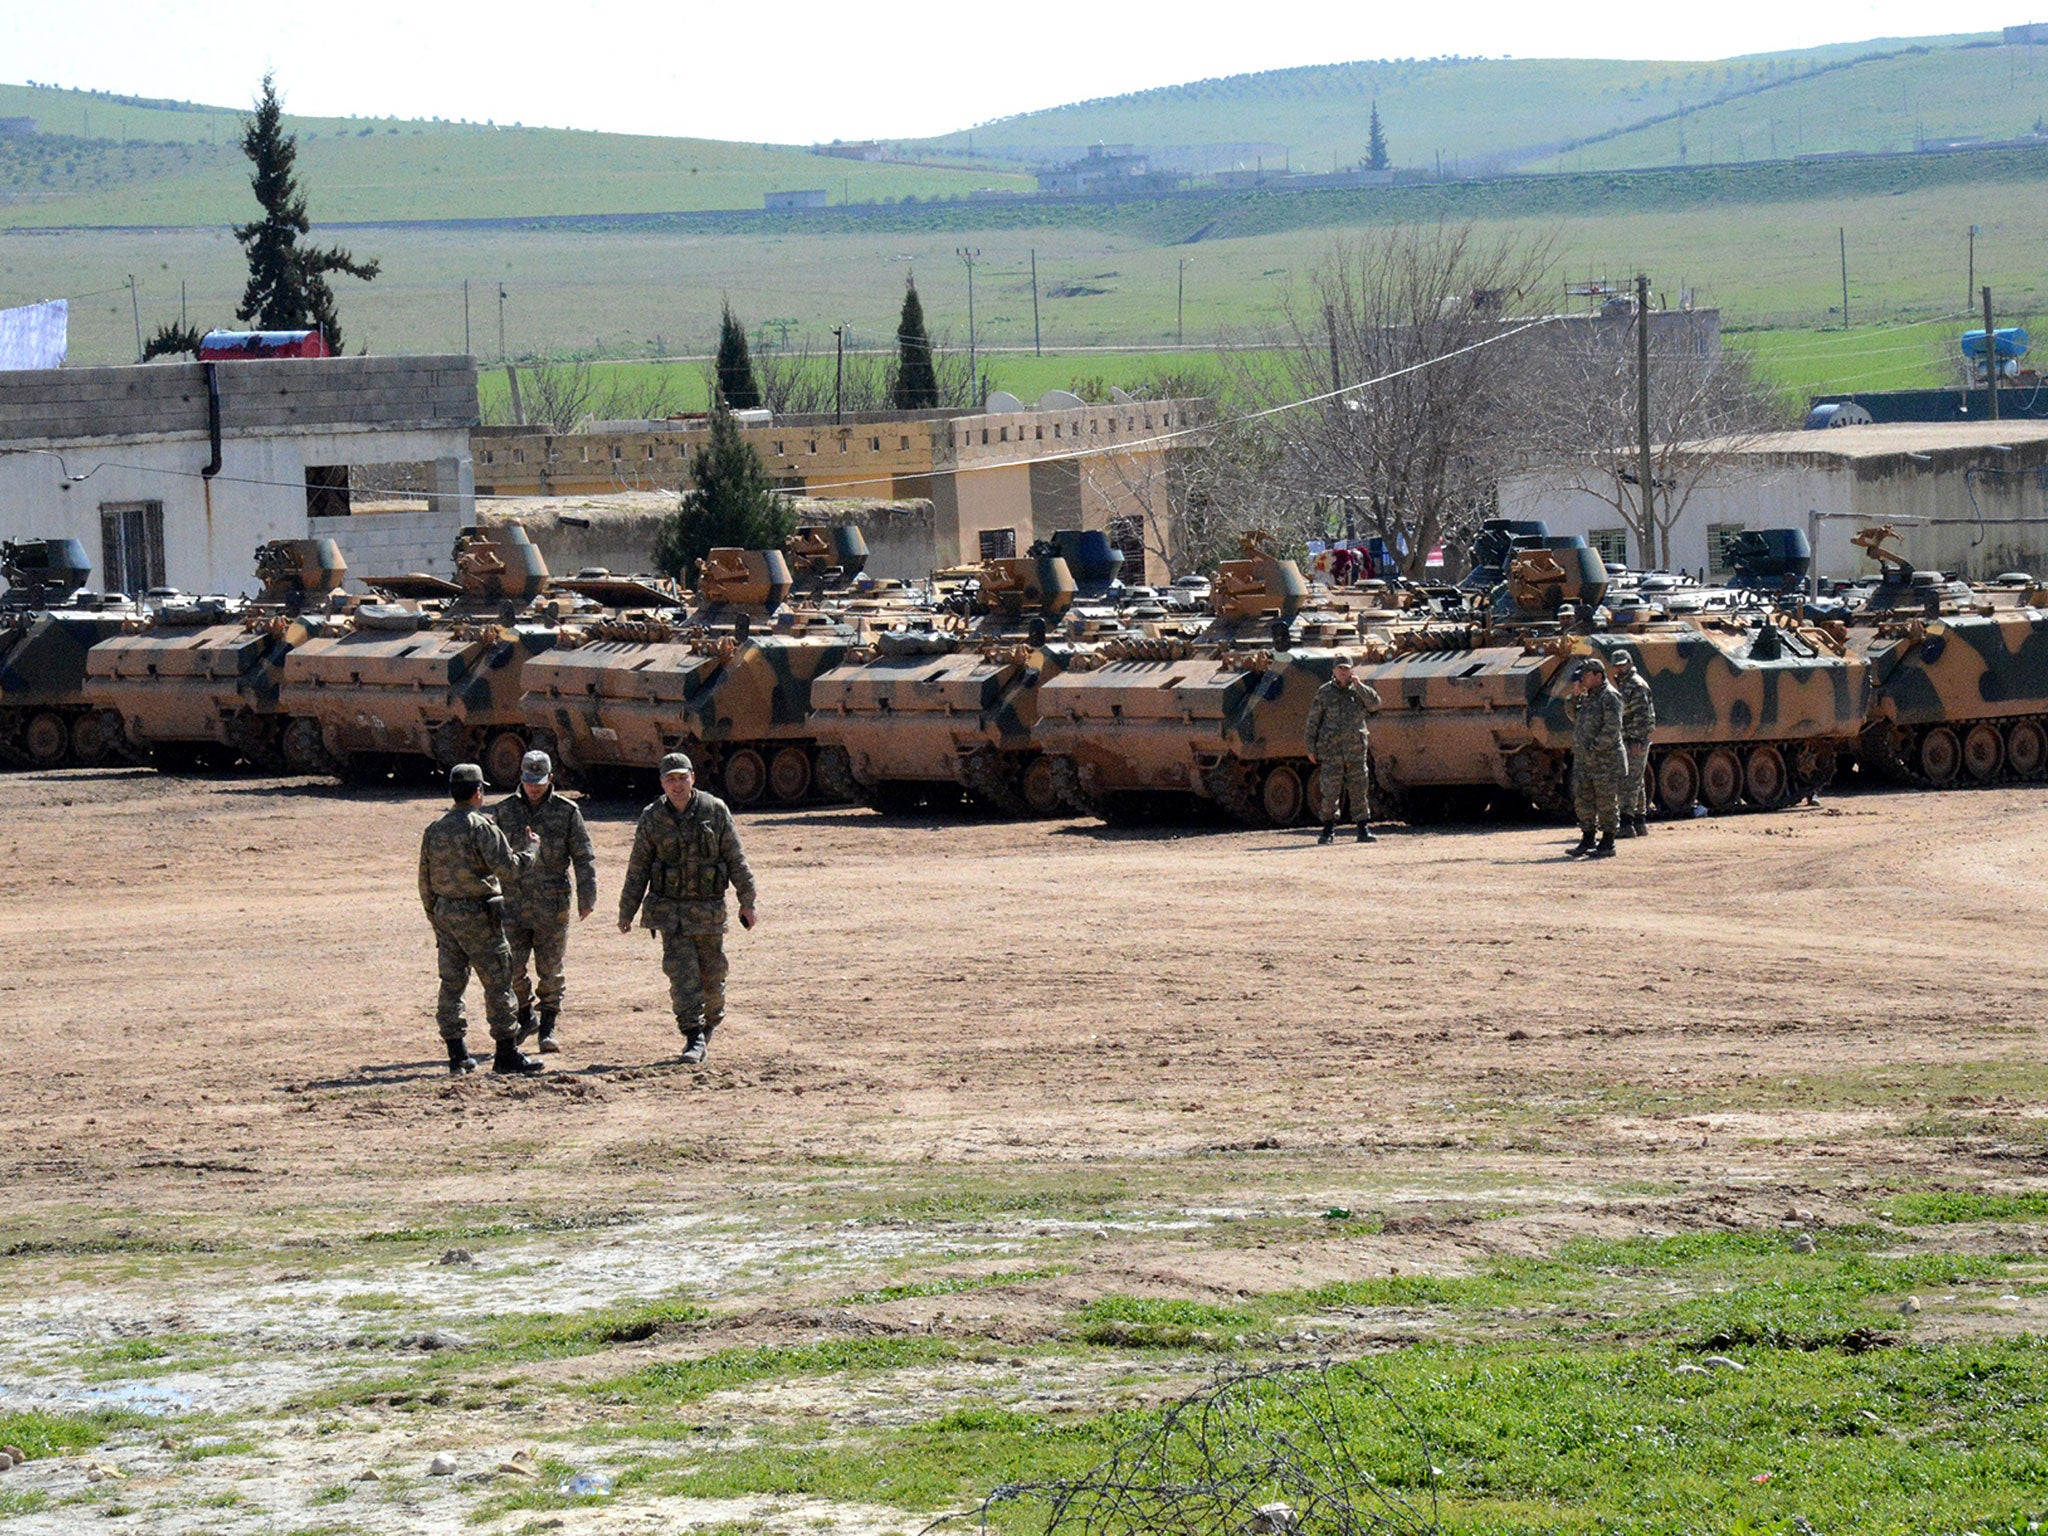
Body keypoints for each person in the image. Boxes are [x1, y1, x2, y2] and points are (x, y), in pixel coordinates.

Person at [618, 752, 758, 1066]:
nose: (677, 785)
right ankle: (692, 1035)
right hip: (670, 913)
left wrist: (747, 902)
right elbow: (637, 868)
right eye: (671, 779)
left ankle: (709, 1023)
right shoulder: (652, 817)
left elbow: (736, 859)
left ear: (693, 778)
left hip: (708, 912)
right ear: (662, 783)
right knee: (682, 976)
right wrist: (626, 911)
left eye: (682, 778)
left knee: (712, 977)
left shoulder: (714, 810)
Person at [419, 762, 542, 1076]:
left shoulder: (435, 829)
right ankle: (506, 1053)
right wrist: (531, 848)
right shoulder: (481, 826)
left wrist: (437, 917)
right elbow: (510, 869)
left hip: (446, 915)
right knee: (499, 983)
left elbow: (425, 881)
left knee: (451, 985)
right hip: (479, 915)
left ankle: (457, 1055)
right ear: (478, 792)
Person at [491, 749, 597, 1054]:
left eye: (539, 780)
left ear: (551, 778)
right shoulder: (503, 811)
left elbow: (583, 856)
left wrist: (587, 896)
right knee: (510, 967)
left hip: (552, 904)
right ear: (520, 778)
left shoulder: (567, 811)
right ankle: (526, 1015)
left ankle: (548, 1028)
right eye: (528, 780)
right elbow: (490, 856)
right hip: (511, 903)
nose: (534, 786)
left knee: (550, 969)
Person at [1304, 650, 1382, 845]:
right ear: (1334, 671)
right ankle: (1328, 830)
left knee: (1359, 789)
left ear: (1351, 671)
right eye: (1340, 669)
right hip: (1331, 751)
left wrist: (1360, 685)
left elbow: (1375, 704)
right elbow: (1313, 721)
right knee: (1330, 791)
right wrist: (1310, 747)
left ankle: (1363, 828)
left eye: (1346, 669)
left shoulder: (1359, 690)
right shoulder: (1324, 692)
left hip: (1355, 750)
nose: (1343, 672)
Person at [1564, 659, 1627, 859]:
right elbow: (1574, 716)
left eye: (1586, 675)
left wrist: (1593, 748)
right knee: (1584, 801)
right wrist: (1574, 697)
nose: (1582, 679)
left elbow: (1612, 729)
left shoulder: (1610, 697)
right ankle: (1588, 838)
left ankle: (1608, 842)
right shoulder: (1587, 696)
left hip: (1604, 760)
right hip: (1585, 760)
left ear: (1598, 676)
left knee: (1606, 801)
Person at [1610, 651, 1656, 838]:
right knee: (1637, 781)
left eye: (1623, 664)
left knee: (1629, 781)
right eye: (1617, 665)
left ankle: (1627, 823)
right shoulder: (1624, 684)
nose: (1620, 668)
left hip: (1634, 740)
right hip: (1628, 738)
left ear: (1630, 663)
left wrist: (1636, 739)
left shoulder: (1635, 685)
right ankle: (1639, 822)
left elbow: (1643, 716)